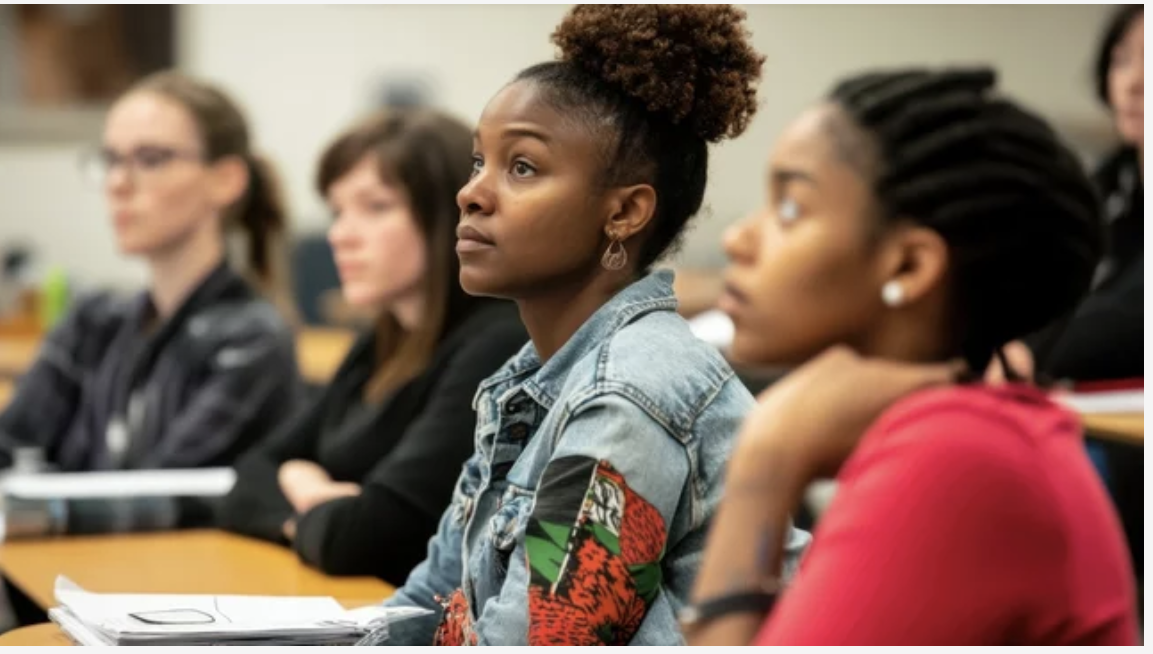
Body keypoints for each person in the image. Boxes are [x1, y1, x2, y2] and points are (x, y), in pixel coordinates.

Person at [364, 5, 808, 647]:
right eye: (476, 163)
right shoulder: (528, 382)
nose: (472, 194)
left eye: (522, 168)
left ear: (625, 212)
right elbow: (421, 605)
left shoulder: (626, 396)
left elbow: (533, 641)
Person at [683, 67, 1138, 646]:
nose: (737, 239)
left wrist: (764, 467)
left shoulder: (957, 456)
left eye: (791, 208)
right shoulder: (959, 431)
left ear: (909, 267)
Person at [219, 109, 528, 585]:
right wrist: (315, 501)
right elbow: (248, 478)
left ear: (452, 214)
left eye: (376, 207)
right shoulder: (380, 343)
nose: (340, 235)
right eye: (338, 211)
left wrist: (305, 504)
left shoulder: (497, 343)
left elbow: (371, 538)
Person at [0, 71, 301, 473]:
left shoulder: (251, 341)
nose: (118, 183)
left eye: (151, 159)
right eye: (110, 160)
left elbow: (153, 498)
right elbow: (11, 443)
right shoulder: (95, 320)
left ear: (225, 180)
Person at [991, 3, 1144, 586]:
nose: (1130, 81)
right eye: (1121, 59)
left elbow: (1133, 312)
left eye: (1149, 63)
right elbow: (1044, 278)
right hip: (1073, 415)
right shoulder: (1109, 183)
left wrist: (1033, 354)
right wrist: (1013, 345)